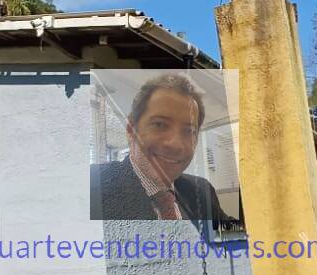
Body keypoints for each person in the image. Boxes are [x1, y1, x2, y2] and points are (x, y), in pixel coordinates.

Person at [91, 73, 235, 224]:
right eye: (160, 124)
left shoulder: (201, 191)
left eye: (189, 131)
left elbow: (235, 236)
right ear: (130, 130)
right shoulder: (91, 188)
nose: (175, 144)